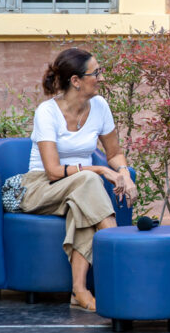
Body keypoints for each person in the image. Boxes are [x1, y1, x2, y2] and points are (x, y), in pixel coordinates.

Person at [20, 48, 137, 312]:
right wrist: (100, 171)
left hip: (79, 187)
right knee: (89, 181)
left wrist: (123, 172)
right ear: (76, 80)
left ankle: (79, 291)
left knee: (81, 202)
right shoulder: (47, 112)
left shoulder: (100, 106)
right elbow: (52, 171)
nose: (101, 78)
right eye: (96, 73)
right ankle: (120, 253)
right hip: (40, 187)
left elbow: (114, 153)